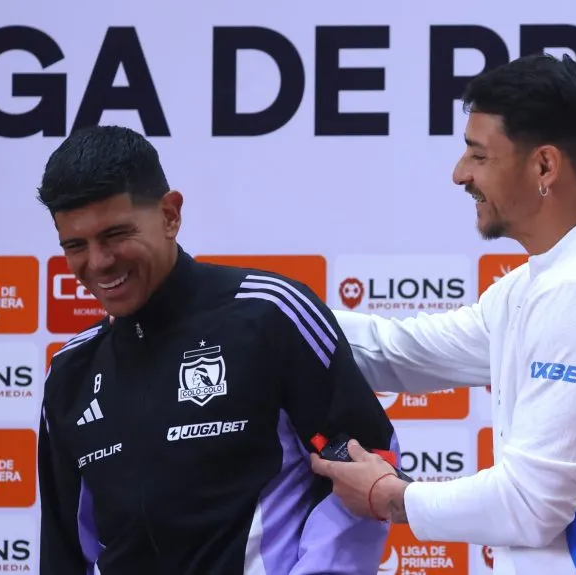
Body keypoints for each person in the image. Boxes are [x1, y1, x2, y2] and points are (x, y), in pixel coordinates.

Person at [310, 54, 576, 574]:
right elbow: (399, 353)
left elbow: (529, 506)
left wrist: (388, 496)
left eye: (478, 155)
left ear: (544, 166)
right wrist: (270, 312)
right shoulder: (542, 283)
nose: (459, 174)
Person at [35, 125, 401, 574]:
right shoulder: (70, 371)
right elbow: (63, 546)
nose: (98, 262)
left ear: (170, 214)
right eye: (75, 246)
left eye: (115, 235)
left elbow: (368, 461)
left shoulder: (269, 315)